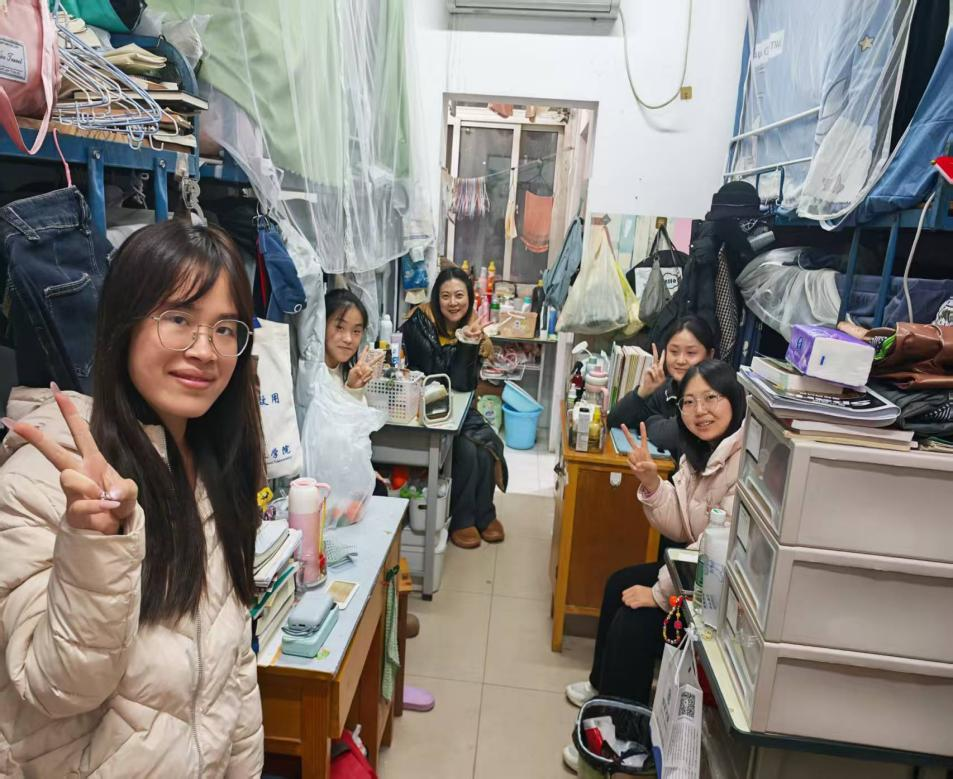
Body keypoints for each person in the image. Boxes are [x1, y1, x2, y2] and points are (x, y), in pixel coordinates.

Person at [0, 221, 265, 777]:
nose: (204, 350)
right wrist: (93, 544)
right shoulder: (44, 479)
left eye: (225, 329)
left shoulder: (215, 465)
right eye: (178, 319)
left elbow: (234, 676)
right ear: (123, 323)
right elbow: (56, 686)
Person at [563, 360, 745, 771]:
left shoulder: (743, 461)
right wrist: (651, 484)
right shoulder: (700, 452)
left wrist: (660, 594)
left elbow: (712, 547)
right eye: (689, 402)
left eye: (711, 398)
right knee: (618, 584)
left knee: (636, 622)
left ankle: (623, 739)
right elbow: (681, 523)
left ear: (734, 400)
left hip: (722, 596)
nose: (700, 411)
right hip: (699, 579)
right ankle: (603, 692)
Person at [400, 266, 508, 549]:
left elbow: (464, 383)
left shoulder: (469, 325)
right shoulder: (420, 322)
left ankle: (484, 515)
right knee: (468, 450)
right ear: (436, 298)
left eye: (459, 295)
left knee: (487, 446)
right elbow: (442, 378)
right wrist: (466, 343)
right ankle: (462, 520)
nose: (453, 303)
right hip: (429, 408)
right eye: (445, 296)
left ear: (469, 298)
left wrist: (471, 340)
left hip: (459, 406)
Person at [606, 316, 715, 462]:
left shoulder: (714, 393)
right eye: (674, 351)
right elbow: (614, 422)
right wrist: (643, 391)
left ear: (709, 355)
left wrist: (650, 422)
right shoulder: (667, 388)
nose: (680, 360)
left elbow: (673, 436)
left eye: (691, 353)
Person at [323, 287, 377, 400]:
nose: (348, 339)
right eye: (340, 327)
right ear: (322, 325)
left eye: (356, 331)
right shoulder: (312, 376)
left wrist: (354, 389)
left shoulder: (351, 373)